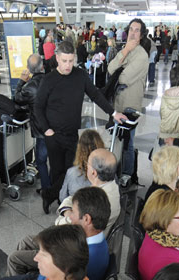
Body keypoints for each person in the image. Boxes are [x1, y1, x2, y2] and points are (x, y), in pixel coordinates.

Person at [35, 40, 125, 214]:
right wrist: (47, 130)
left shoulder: (80, 76)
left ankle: (50, 195)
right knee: (57, 171)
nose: (68, 65)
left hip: (72, 134)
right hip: (53, 135)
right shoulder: (49, 79)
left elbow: (96, 95)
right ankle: (59, 202)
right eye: (64, 61)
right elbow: (38, 107)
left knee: (70, 170)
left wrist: (113, 113)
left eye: (71, 61)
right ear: (57, 59)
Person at [106, 19, 150, 181]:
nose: (133, 33)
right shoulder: (126, 50)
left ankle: (127, 173)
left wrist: (119, 69)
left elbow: (123, 78)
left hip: (130, 105)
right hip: (117, 104)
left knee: (128, 142)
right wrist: (124, 51)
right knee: (117, 139)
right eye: (131, 29)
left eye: (137, 30)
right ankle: (118, 169)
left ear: (141, 35)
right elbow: (110, 69)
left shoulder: (142, 56)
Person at [14, 54, 50, 190]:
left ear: (28, 68)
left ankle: (46, 188)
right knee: (56, 160)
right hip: (56, 126)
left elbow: (17, 99)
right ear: (42, 66)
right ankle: (56, 187)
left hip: (41, 129)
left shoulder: (29, 87)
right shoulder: (51, 80)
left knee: (41, 160)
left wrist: (21, 82)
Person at [58, 129, 105, 203]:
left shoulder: (71, 173)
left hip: (78, 208)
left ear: (79, 149)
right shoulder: (108, 170)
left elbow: (62, 197)